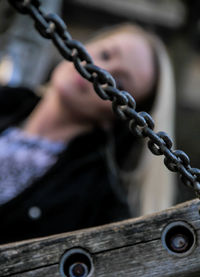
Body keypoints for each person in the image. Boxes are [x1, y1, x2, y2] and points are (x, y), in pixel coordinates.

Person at [0, 23, 175, 244]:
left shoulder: (91, 198)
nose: (99, 71)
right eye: (105, 54)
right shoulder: (6, 102)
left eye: (118, 83)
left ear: (119, 119)